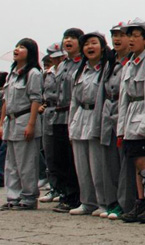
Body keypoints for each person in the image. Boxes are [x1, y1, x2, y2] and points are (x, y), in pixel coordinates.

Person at [117, 19, 145, 224]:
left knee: (144, 161)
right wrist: (121, 128)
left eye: (136, 36)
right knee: (136, 160)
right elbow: (123, 98)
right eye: (129, 36)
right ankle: (141, 200)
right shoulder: (129, 64)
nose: (131, 40)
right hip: (130, 116)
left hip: (143, 113)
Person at [68, 32, 116, 217]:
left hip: (97, 116)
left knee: (98, 166)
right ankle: (87, 202)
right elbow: (74, 100)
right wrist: (71, 124)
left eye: (94, 43)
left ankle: (103, 202)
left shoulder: (107, 69)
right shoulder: (80, 71)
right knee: (82, 166)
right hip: (80, 118)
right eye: (86, 44)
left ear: (102, 47)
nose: (90, 47)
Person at [0, 38, 43, 210]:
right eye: (16, 46)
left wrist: (31, 124)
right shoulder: (12, 74)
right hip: (11, 122)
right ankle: (13, 197)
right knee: (11, 164)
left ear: (30, 52)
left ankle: (29, 198)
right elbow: (5, 101)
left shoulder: (33, 73)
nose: (17, 49)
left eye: (22, 47)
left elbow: (36, 100)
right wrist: (1, 123)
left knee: (26, 163)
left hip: (24, 119)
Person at [51, 28, 84, 212]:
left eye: (72, 38)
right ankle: (64, 193)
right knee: (60, 158)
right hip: (58, 116)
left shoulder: (82, 63)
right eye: (66, 38)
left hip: (73, 114)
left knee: (73, 159)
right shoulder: (62, 64)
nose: (68, 41)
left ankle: (75, 195)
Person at [103, 22, 132, 220]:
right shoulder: (110, 63)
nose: (117, 39)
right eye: (114, 35)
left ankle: (125, 203)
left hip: (126, 113)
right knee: (110, 161)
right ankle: (111, 201)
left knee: (125, 162)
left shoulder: (132, 61)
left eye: (122, 35)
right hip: (108, 112)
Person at [38, 43, 64, 204]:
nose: (56, 60)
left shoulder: (68, 71)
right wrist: (42, 105)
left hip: (63, 111)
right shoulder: (46, 74)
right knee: (49, 153)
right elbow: (41, 93)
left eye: (59, 57)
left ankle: (65, 189)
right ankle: (54, 187)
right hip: (48, 113)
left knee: (62, 154)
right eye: (53, 57)